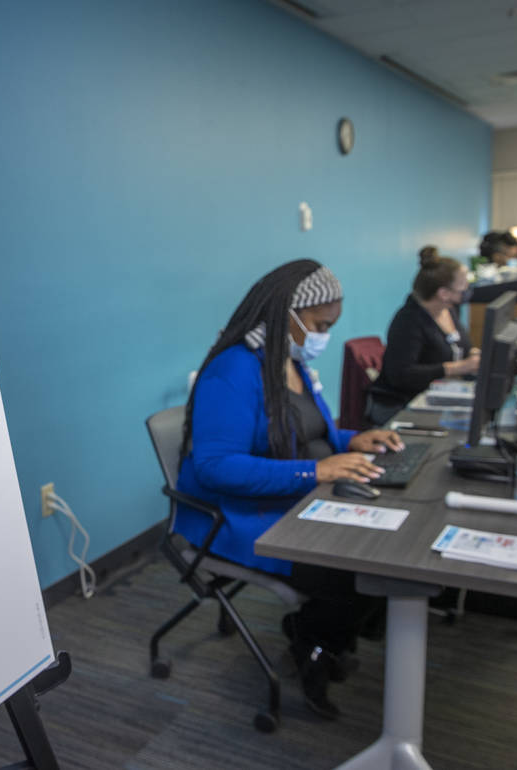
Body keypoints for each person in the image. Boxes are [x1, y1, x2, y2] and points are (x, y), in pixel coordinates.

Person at [175, 259, 400, 720]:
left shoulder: (289, 360)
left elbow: (311, 432)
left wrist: (351, 440)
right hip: (242, 517)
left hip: (297, 497)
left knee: (384, 548)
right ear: (288, 315)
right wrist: (313, 473)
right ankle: (312, 642)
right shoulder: (233, 371)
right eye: (320, 325)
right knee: (355, 568)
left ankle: (321, 636)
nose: (324, 336)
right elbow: (216, 467)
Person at [364, 247, 480, 426]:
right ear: (443, 293)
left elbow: (461, 346)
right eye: (462, 287)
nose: (466, 291)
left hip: (442, 395)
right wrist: (456, 368)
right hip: (403, 403)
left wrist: (472, 355)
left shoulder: (449, 309)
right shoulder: (409, 321)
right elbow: (402, 375)